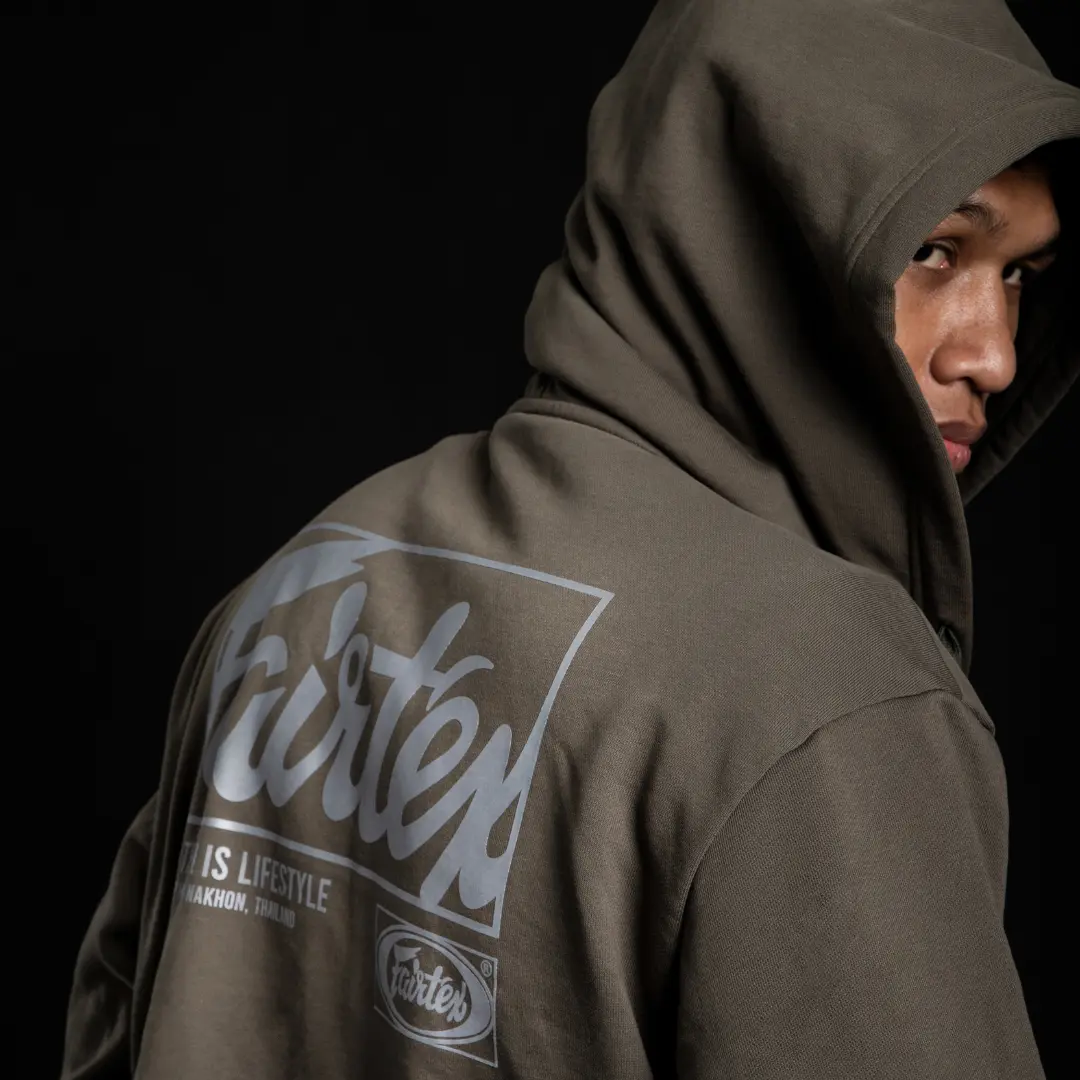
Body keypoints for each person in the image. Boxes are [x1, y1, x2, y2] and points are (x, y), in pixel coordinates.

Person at [63, 0, 1077, 1077]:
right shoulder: (829, 699)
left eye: (1019, 274)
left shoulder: (307, 576)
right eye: (933, 251)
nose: (996, 356)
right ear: (752, 238)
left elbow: (117, 1030)